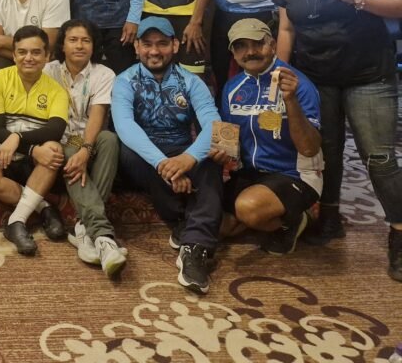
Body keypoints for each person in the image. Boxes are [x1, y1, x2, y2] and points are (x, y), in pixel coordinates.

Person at [273, 0, 402, 278]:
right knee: (324, 153)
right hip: (316, 78)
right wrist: (280, 72)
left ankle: (398, 233)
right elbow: (287, 30)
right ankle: (328, 218)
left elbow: (398, 6)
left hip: (368, 77)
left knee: (378, 157)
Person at [112, 17, 222, 294]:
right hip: (143, 157)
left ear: (174, 45)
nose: (154, 51)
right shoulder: (125, 81)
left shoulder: (191, 81)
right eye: (147, 44)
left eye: (162, 43)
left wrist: (188, 159)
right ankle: (180, 215)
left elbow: (214, 125)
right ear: (136, 47)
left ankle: (194, 247)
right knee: (126, 151)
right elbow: (125, 127)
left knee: (212, 159)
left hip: (181, 151)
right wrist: (163, 164)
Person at [216, 19, 323, 255]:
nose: (250, 52)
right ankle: (260, 213)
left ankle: (295, 220)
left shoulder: (298, 84)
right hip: (250, 173)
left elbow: (309, 149)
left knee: (248, 208)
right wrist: (219, 153)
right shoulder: (232, 87)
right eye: (241, 46)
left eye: (258, 43)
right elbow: (227, 142)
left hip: (293, 174)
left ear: (272, 45)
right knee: (216, 223)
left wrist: (290, 100)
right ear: (233, 53)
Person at [0, 25, 69, 256]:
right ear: (14, 55)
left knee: (53, 148)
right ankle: (43, 207)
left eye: (36, 52)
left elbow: (56, 130)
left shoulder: (57, 90)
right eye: (22, 52)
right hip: (1, 155)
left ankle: (16, 220)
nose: (29, 58)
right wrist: (32, 149)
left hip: (35, 165)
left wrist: (19, 138)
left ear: (47, 56)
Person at [43, 20, 126, 277]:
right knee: (68, 150)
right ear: (62, 45)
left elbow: (98, 115)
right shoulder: (48, 71)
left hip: (88, 139)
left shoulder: (104, 74)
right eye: (73, 40)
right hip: (60, 141)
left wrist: (86, 149)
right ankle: (103, 237)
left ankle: (83, 226)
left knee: (109, 139)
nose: (79, 45)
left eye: (86, 40)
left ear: (93, 46)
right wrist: (78, 150)